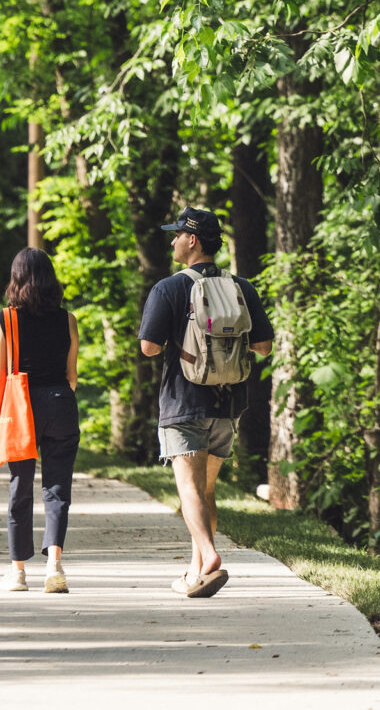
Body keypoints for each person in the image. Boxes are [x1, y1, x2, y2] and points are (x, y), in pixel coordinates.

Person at [138, 204, 273, 599]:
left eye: (177, 234)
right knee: (206, 491)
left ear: (192, 240)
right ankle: (196, 572)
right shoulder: (241, 288)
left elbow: (148, 347)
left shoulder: (169, 288)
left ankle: (211, 555)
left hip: (183, 404)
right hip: (227, 406)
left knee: (188, 491)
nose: (173, 241)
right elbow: (263, 347)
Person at [0, 246, 80, 594]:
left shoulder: (5, 319)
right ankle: (55, 565)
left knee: (19, 488)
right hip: (60, 403)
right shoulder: (67, 319)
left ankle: (18, 572)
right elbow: (72, 375)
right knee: (57, 488)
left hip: (19, 408)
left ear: (17, 277)